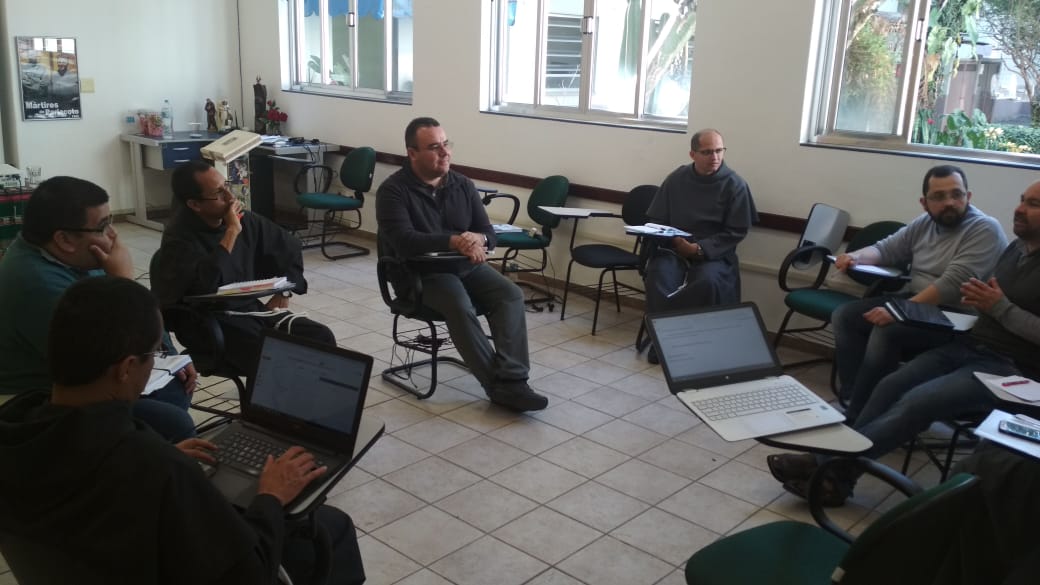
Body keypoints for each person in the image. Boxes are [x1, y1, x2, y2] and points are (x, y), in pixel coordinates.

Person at [0, 276, 365, 584]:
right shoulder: (155, 466)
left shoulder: (16, 428)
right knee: (332, 529)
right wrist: (270, 497)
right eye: (154, 355)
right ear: (126, 368)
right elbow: (251, 574)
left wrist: (162, 462)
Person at [769, 180, 1040, 507]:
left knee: (917, 401)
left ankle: (832, 472)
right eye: (1022, 200)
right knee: (890, 385)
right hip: (971, 344)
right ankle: (831, 465)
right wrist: (985, 305)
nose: (1019, 209)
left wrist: (998, 307)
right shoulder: (1017, 249)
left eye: (1033, 204)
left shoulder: (986, 229)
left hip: (1012, 369)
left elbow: (997, 306)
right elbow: (891, 250)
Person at [0, 176, 196, 442]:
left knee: (175, 386)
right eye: (103, 227)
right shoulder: (36, 284)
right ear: (64, 239)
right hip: (40, 399)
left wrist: (171, 358)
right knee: (172, 416)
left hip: (84, 376)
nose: (113, 236)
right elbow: (110, 356)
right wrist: (125, 282)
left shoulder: (75, 256)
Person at [376, 116, 548, 412]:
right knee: (458, 302)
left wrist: (477, 239)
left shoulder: (462, 184)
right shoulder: (393, 190)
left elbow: (489, 234)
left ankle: (513, 379)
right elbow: (404, 241)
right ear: (412, 153)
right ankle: (498, 387)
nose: (445, 152)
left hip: (465, 267)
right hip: (419, 274)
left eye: (446, 144)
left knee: (510, 294)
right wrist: (454, 241)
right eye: (434, 147)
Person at [830, 165, 1007, 420]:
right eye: (939, 196)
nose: (949, 202)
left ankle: (862, 414)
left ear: (968, 197)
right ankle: (856, 398)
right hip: (920, 304)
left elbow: (952, 285)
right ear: (925, 203)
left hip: (958, 316)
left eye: (957, 194)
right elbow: (885, 250)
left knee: (888, 328)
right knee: (845, 316)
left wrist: (900, 311)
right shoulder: (924, 223)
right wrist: (855, 256)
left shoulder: (985, 228)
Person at [151, 160, 335, 379]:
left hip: (250, 312)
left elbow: (288, 246)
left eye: (226, 186)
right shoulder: (179, 239)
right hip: (209, 324)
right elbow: (204, 286)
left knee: (320, 337)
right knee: (275, 355)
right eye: (219, 193)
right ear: (195, 204)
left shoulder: (242, 219)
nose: (230, 198)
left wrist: (283, 292)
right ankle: (268, 400)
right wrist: (231, 232)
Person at [642, 128, 757, 363]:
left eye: (719, 151)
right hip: (674, 249)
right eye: (707, 152)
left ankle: (699, 343)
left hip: (714, 255)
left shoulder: (735, 184)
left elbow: (735, 232)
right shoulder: (676, 179)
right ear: (692, 154)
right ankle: (663, 341)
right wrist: (675, 241)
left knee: (707, 282)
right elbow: (658, 219)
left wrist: (699, 249)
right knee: (658, 275)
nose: (715, 157)